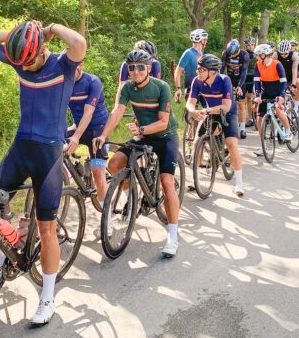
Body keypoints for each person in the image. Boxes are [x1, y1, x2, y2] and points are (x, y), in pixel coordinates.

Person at [0, 20, 86, 325]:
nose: (26, 67)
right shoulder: (21, 57)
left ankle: (47, 296)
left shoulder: (62, 66)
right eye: (20, 62)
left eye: (31, 60)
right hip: (21, 148)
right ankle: (1, 262)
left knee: (46, 228)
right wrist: (18, 35)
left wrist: (50, 28)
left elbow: (78, 43)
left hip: (48, 155)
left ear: (42, 49)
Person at [94, 49, 181, 257]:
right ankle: (129, 200)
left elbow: (162, 122)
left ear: (149, 69)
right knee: (115, 164)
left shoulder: (161, 87)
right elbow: (117, 112)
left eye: (140, 67)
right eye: (131, 68)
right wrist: (104, 135)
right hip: (143, 134)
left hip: (165, 136)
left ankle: (173, 236)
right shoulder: (128, 88)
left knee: (167, 183)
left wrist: (141, 130)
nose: (136, 71)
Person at [187, 54, 245, 196]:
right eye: (197, 69)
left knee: (231, 144)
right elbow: (190, 102)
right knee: (196, 143)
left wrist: (206, 110)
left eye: (201, 70)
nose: (197, 72)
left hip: (228, 113)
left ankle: (239, 183)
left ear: (212, 71)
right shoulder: (197, 81)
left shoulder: (224, 80)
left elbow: (225, 106)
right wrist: (193, 111)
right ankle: (197, 179)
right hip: (210, 112)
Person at [67, 61, 110, 207]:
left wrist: (76, 137)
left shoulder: (93, 81)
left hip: (98, 129)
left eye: (73, 67)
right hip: (79, 126)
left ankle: (107, 215)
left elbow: (89, 111)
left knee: (98, 173)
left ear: (81, 66)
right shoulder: (63, 83)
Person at [253, 44, 292, 157]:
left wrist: (281, 96)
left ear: (264, 55)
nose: (257, 57)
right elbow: (256, 82)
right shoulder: (258, 65)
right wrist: (257, 96)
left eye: (258, 55)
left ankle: (288, 131)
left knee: (278, 112)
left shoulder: (277, 64)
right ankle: (263, 144)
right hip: (266, 90)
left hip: (278, 90)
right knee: (259, 119)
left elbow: (284, 82)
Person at [221, 39, 250, 139]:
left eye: (233, 54)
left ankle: (242, 128)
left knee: (241, 104)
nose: (232, 56)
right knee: (225, 102)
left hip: (240, 80)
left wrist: (239, 86)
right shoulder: (225, 53)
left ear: (238, 50)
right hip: (229, 79)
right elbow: (222, 69)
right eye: (230, 54)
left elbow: (244, 71)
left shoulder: (244, 55)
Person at [175, 29, 208, 103]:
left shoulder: (201, 53)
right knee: (191, 112)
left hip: (202, 87)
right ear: (201, 40)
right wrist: (178, 88)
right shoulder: (188, 53)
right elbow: (178, 71)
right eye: (205, 40)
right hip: (191, 88)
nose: (206, 42)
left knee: (209, 110)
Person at [243, 37, 257, 130]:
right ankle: (250, 118)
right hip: (247, 77)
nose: (250, 46)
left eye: (252, 44)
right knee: (248, 98)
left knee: (257, 97)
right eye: (248, 45)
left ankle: (258, 114)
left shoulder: (257, 54)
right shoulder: (244, 54)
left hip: (256, 77)